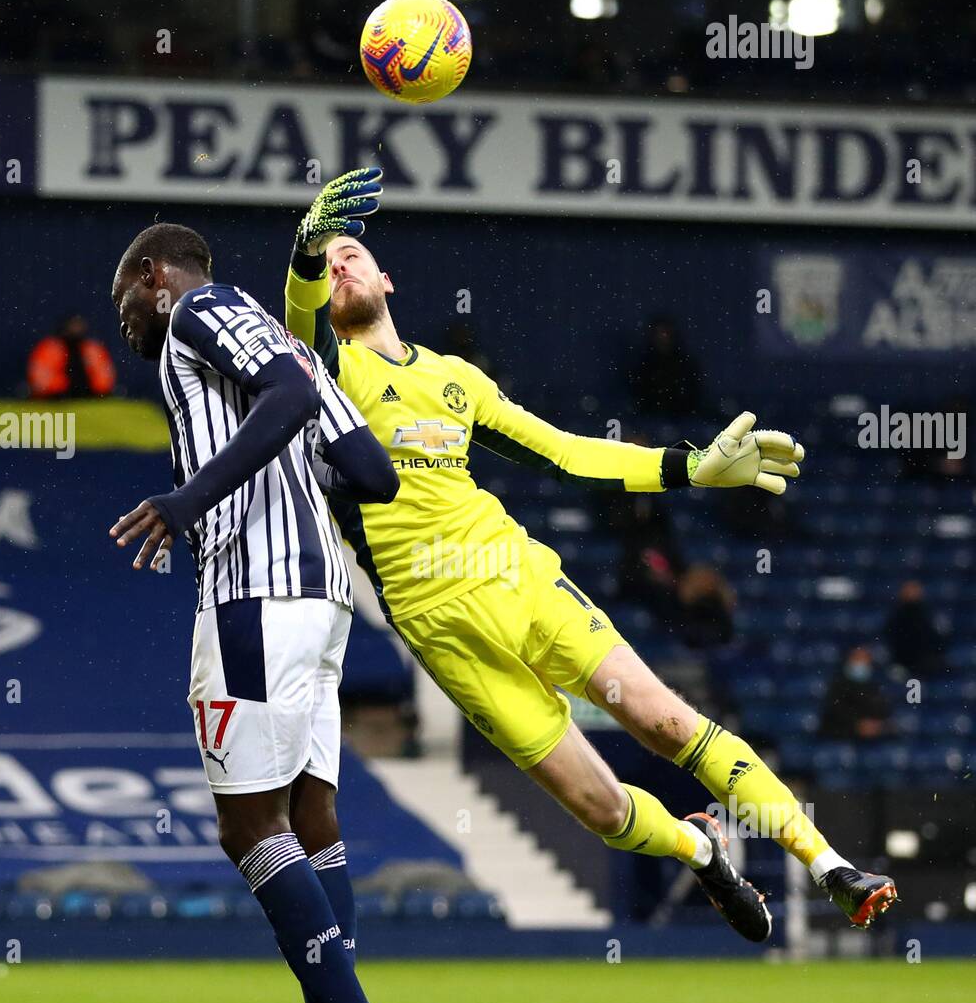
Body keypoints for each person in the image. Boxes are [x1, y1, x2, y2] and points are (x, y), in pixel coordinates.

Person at [282, 168, 899, 937]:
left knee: (663, 722)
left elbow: (566, 453)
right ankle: (696, 847)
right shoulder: (325, 373)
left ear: (386, 277)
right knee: (600, 807)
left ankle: (829, 864)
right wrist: (306, 251)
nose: (340, 266)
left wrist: (690, 467)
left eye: (351, 253)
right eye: (330, 262)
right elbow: (301, 321)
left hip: (517, 577)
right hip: (439, 626)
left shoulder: (454, 379)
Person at [108, 222, 419, 1003]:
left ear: (154, 276)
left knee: (248, 827)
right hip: (322, 597)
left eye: (125, 294)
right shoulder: (287, 342)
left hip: (253, 592)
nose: (124, 316)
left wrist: (188, 500)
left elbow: (279, 393)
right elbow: (372, 473)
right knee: (308, 824)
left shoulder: (200, 309)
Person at [628, 315, 704, 418]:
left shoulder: (685, 364)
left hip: (683, 418)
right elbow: (638, 396)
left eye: (667, 333)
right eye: (660, 333)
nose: (663, 337)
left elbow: (693, 395)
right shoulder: (643, 365)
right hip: (649, 418)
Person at [27, 314, 116, 399]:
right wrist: (62, 389)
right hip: (56, 399)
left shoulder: (93, 349)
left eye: (78, 325)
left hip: (91, 397)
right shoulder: (50, 348)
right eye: (73, 325)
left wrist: (94, 390)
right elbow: (40, 379)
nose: (76, 329)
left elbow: (105, 377)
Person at [819, 647, 893, 741]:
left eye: (865, 660)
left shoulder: (875, 687)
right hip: (841, 739)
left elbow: (884, 714)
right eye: (858, 659)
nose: (861, 663)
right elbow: (834, 715)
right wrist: (857, 726)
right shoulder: (837, 686)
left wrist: (877, 727)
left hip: (872, 743)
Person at [884, 580, 948, 675]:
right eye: (908, 591)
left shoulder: (927, 613)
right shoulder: (896, 614)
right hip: (901, 662)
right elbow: (890, 637)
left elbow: (937, 639)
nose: (911, 594)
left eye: (914, 591)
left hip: (925, 661)